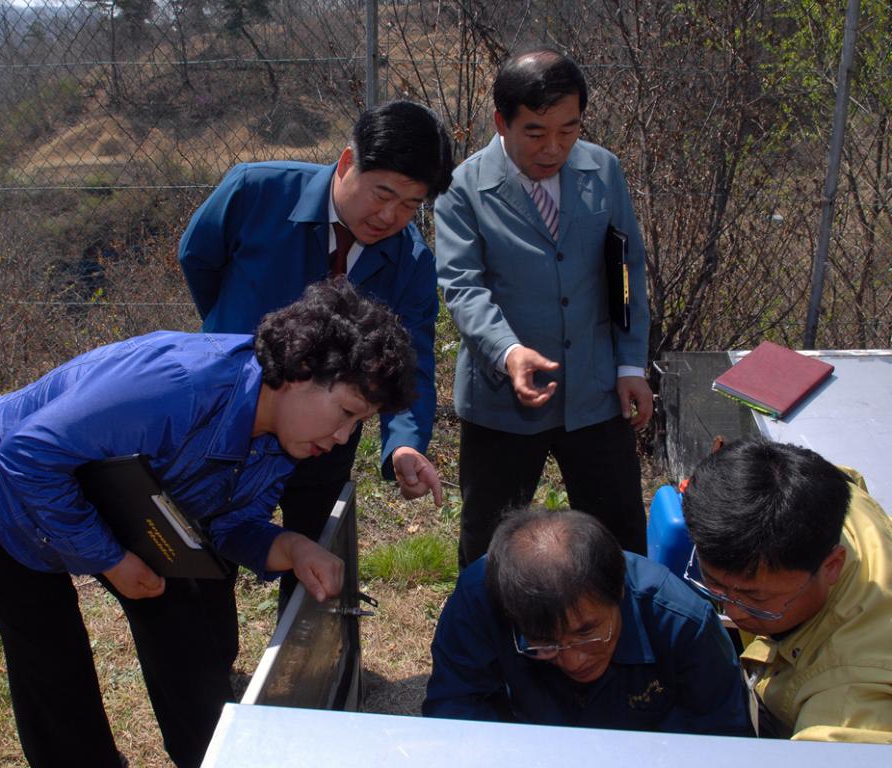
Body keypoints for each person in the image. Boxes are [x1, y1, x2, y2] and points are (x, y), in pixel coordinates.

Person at [0, 279, 416, 768]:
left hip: (119, 497)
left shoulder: (285, 437)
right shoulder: (177, 384)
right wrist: (110, 558)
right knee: (52, 653)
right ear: (299, 371)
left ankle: (212, 759)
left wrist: (293, 548)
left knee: (186, 637)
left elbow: (229, 524)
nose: (343, 437)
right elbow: (30, 452)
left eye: (359, 424)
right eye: (346, 413)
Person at [179, 100, 454, 606]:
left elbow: (410, 360)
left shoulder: (410, 262)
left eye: (411, 204)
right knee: (204, 547)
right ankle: (212, 664)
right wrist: (233, 344)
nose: (390, 216)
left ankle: (303, 665)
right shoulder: (255, 192)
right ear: (348, 163)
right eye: (383, 193)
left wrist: (405, 442)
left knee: (313, 542)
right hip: (230, 415)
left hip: (328, 432)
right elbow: (198, 259)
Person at [435, 48, 652, 567]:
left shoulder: (603, 169)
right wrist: (508, 352)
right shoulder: (463, 187)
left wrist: (629, 364)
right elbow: (463, 287)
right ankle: (485, 640)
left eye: (568, 129)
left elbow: (624, 269)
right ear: (501, 122)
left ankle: (627, 637)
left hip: (596, 389)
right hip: (501, 400)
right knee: (488, 543)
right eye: (535, 132)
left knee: (619, 535)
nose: (553, 147)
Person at [422, 508, 750, 735]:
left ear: (619, 591)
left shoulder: (682, 622)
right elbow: (453, 713)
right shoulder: (481, 599)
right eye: (545, 643)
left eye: (588, 634)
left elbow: (722, 739)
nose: (574, 660)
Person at [681, 439, 892, 743]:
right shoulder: (811, 499)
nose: (733, 612)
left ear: (831, 565)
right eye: (714, 584)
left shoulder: (850, 696)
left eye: (756, 599)